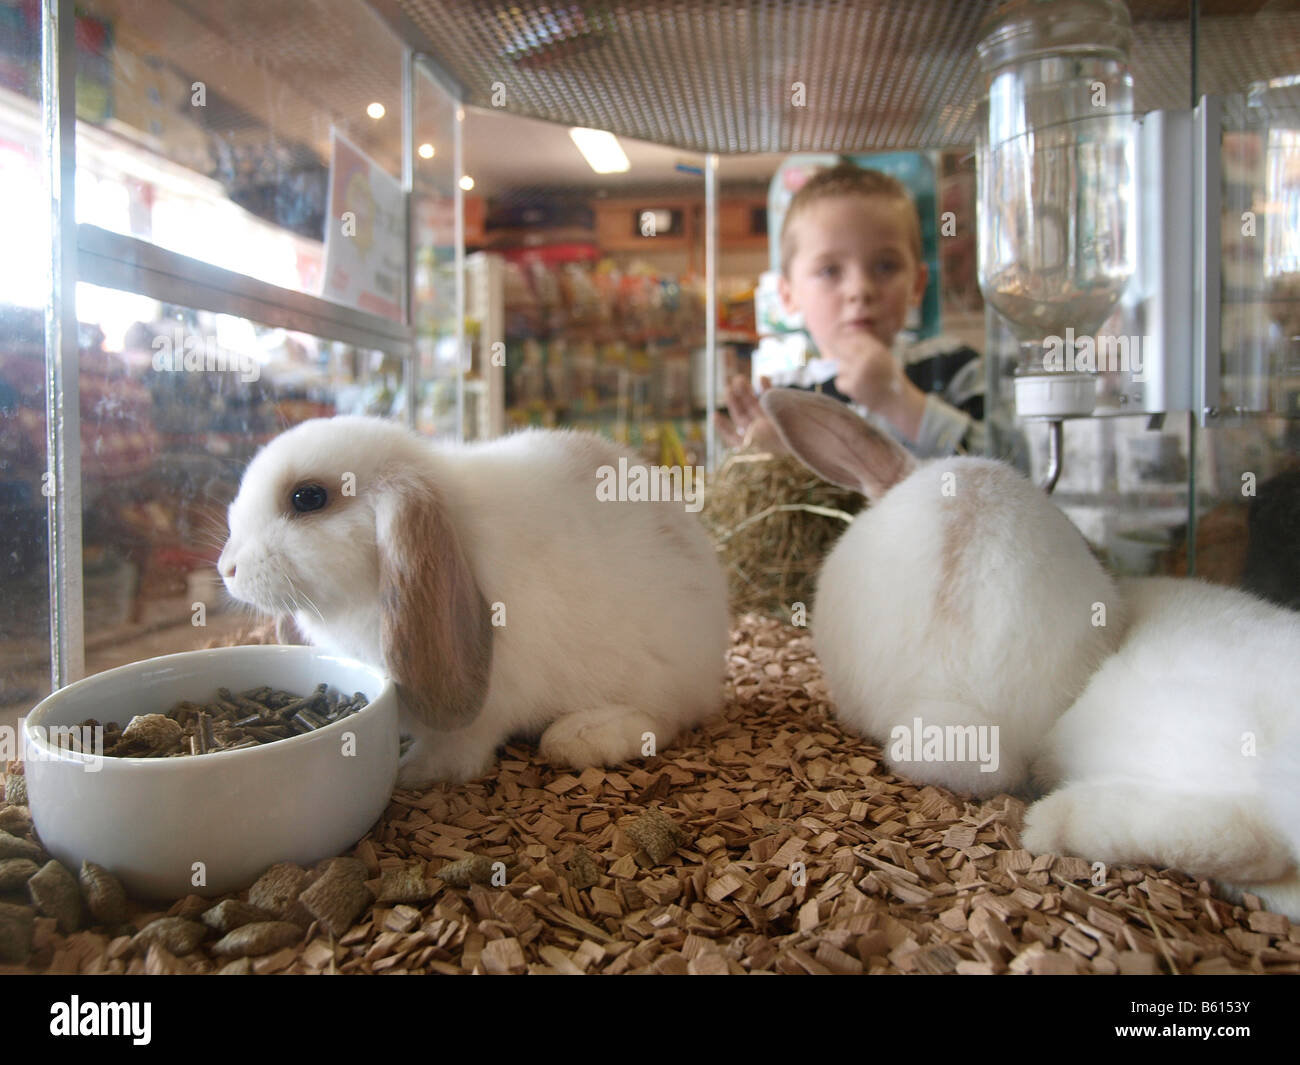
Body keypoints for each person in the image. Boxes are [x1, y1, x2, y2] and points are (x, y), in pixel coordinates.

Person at [718, 162, 1026, 469]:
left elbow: (1012, 469)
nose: (859, 289)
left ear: (917, 285)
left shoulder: (953, 368)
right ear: (788, 295)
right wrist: (771, 462)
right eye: (829, 271)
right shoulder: (785, 400)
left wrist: (900, 402)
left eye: (885, 266)